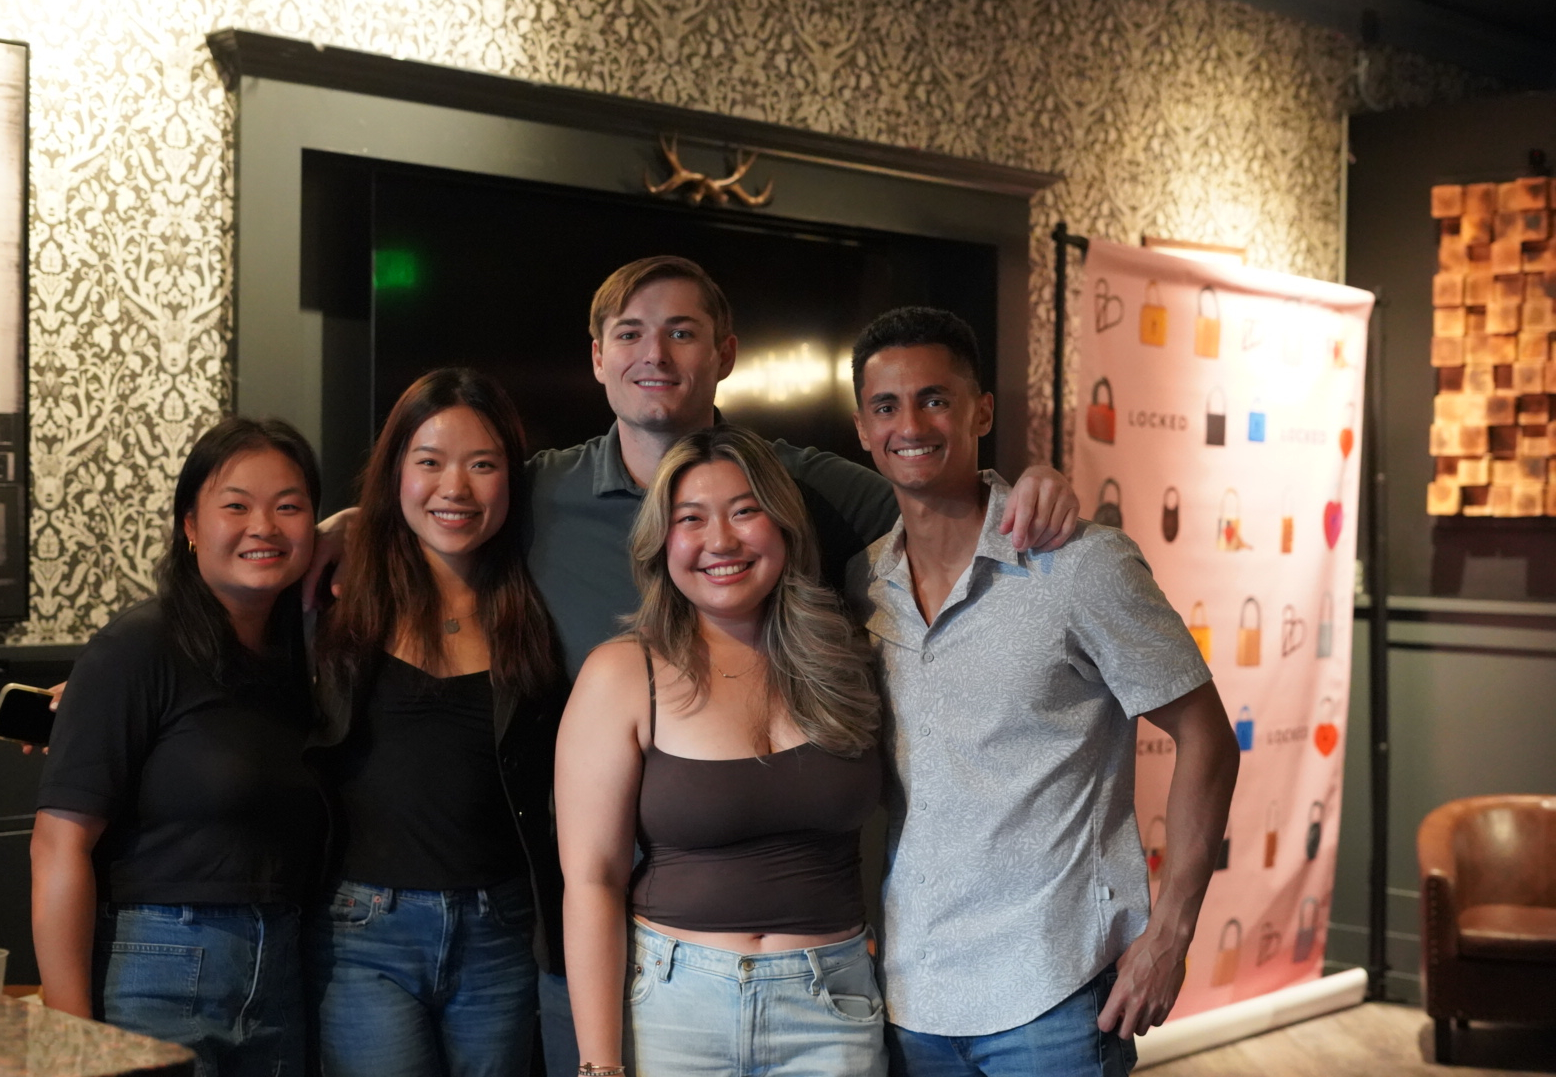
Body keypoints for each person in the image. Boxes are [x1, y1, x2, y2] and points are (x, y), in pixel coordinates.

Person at [308, 256, 1083, 1074]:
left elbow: (933, 486)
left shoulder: (802, 482)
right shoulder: (538, 493)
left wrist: (1031, 486)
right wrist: (349, 526)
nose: (657, 354)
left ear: (727, 353)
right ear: (598, 357)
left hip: (814, 957)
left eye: (684, 332)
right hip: (599, 933)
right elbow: (449, 495)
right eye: (631, 333)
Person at [845, 308, 1241, 1077]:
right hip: (907, 997)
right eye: (886, 406)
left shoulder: (1079, 567)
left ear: (982, 411)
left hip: (1054, 999)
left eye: (936, 398)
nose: (911, 423)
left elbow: (1208, 736)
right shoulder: (863, 582)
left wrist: (1170, 935)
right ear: (862, 429)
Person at [557, 423, 887, 1077]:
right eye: (692, 519)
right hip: (675, 1009)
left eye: (745, 511)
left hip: (834, 1006)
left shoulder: (849, 656)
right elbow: (591, 882)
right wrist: (598, 1067)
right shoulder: (624, 674)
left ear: (784, 527)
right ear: (662, 541)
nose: (721, 541)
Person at [31, 417, 326, 1076]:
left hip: (281, 969)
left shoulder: (303, 656)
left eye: (289, 507)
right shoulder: (138, 647)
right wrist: (71, 1038)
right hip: (159, 965)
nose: (264, 527)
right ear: (190, 525)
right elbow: (58, 847)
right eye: (235, 506)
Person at [307, 368, 566, 1077]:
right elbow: (217, 653)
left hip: (503, 931)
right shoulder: (334, 599)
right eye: (429, 462)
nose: (455, 488)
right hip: (364, 931)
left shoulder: (539, 601)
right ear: (396, 473)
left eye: (482, 465)